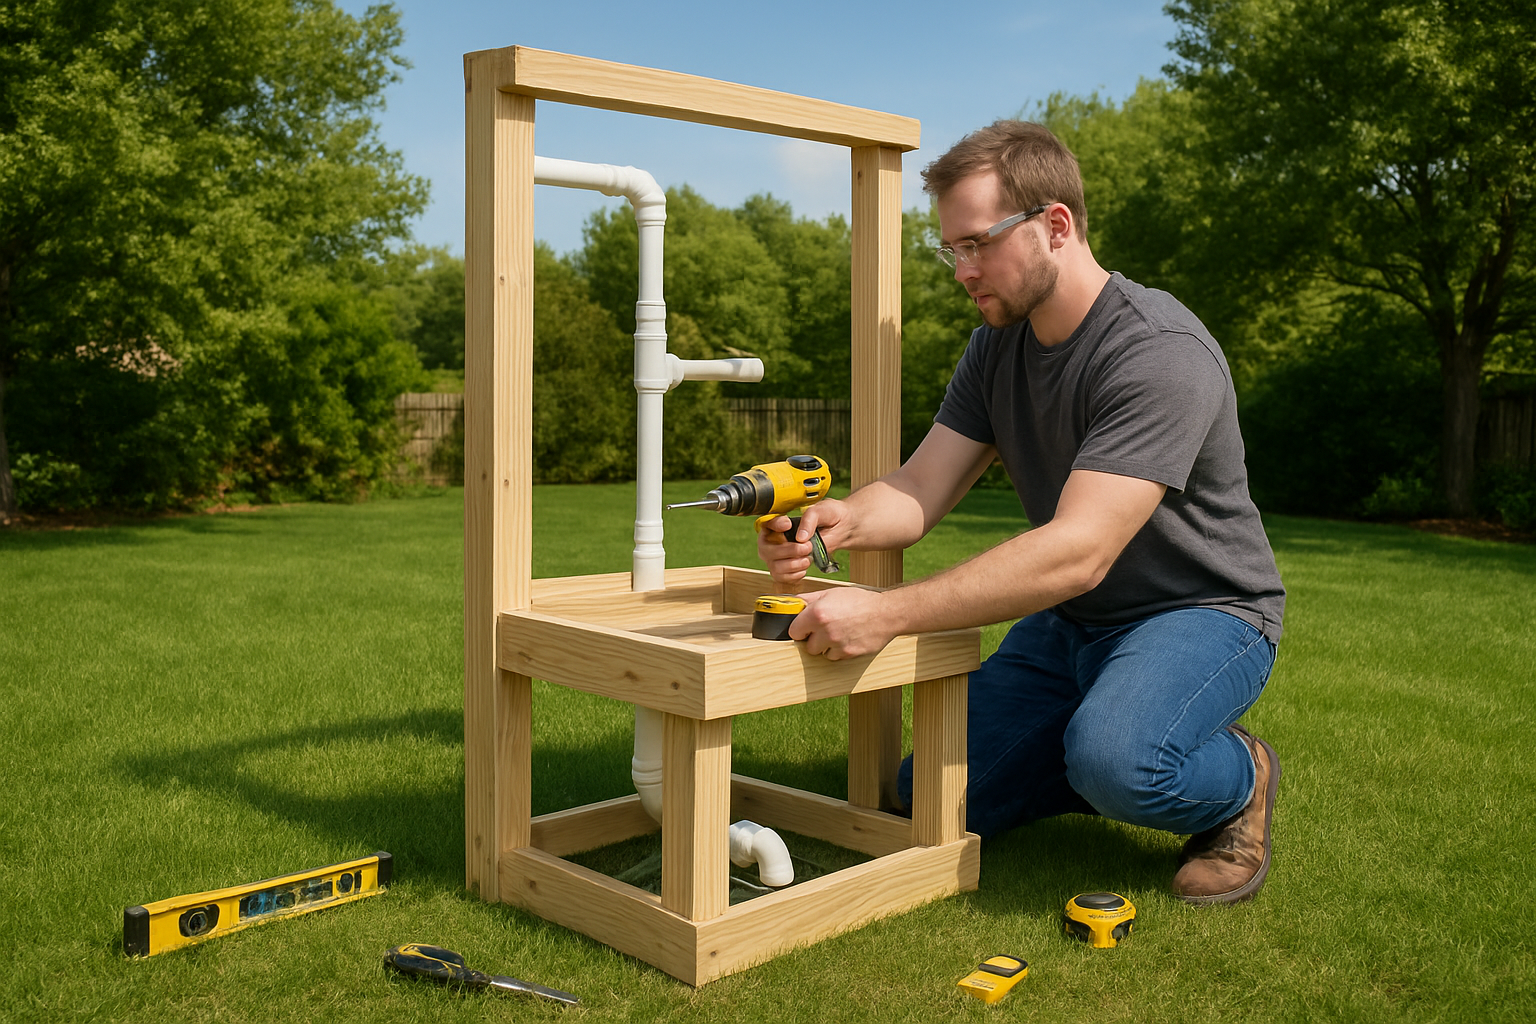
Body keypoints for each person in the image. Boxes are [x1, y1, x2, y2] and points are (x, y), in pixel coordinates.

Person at [758, 121, 1286, 904]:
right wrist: (840, 521)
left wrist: (888, 614)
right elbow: (918, 487)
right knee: (934, 794)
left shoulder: (1158, 351)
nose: (962, 270)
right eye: (951, 250)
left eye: (978, 243)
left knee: (1119, 762)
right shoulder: (995, 348)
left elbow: (1079, 551)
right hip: (1072, 622)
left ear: (1056, 225)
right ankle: (1098, 749)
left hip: (1202, 613)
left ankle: (1240, 777)